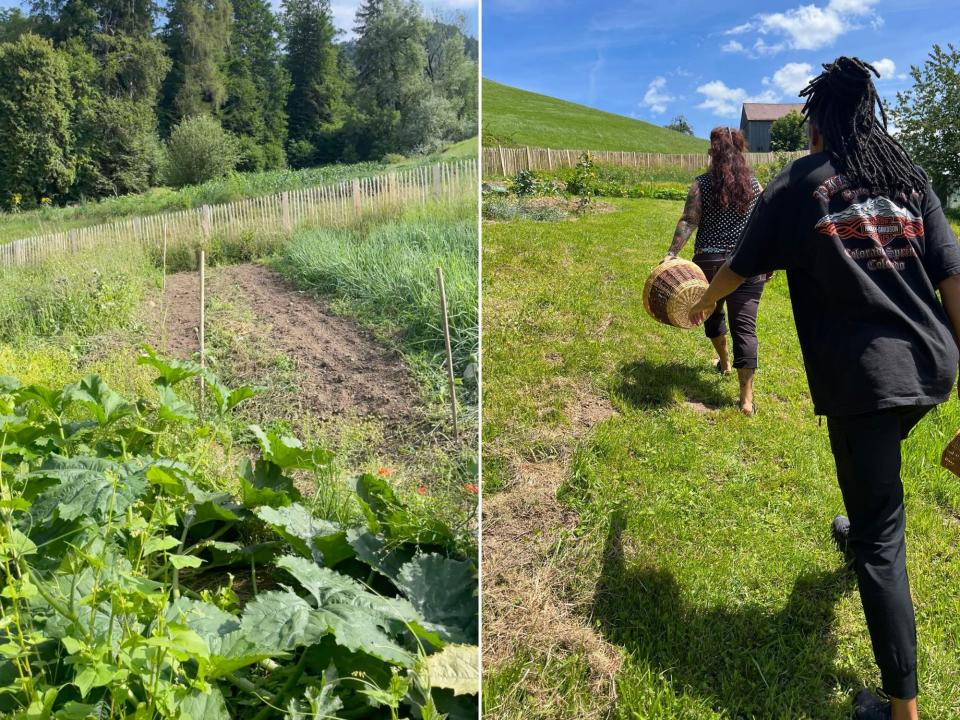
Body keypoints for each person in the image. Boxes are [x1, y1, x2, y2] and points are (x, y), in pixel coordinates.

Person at [689, 56, 960, 720]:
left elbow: (738, 267)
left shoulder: (796, 184)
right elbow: (953, 280)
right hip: (933, 367)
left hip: (867, 380)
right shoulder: (908, 178)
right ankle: (862, 514)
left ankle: (904, 712)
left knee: (881, 538)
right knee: (872, 488)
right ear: (867, 116)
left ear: (817, 122)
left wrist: (701, 307)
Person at [663, 127, 765, 416]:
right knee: (745, 326)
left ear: (712, 151)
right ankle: (746, 399)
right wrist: (765, 263)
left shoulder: (701, 184)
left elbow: (688, 221)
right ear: (742, 152)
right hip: (747, 265)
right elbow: (762, 231)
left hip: (709, 262)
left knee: (710, 311)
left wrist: (672, 253)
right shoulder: (755, 187)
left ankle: (725, 361)